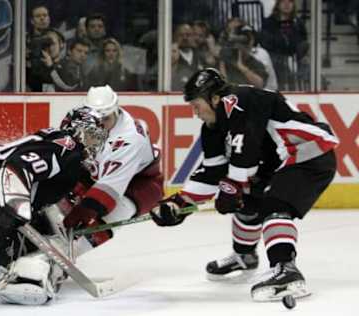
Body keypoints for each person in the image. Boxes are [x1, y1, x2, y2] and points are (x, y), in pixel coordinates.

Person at [151, 68, 338, 302]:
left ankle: (286, 270)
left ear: (215, 98)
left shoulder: (239, 99)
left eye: (196, 104)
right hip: (276, 163)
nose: (195, 112)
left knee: (273, 206)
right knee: (247, 201)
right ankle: (244, 257)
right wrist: (179, 203)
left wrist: (233, 186)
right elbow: (212, 171)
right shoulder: (213, 128)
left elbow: (246, 149)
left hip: (307, 152)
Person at [0, 108, 108, 304]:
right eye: (91, 136)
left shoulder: (61, 145)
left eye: (97, 138)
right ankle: (20, 281)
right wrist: (15, 203)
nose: (94, 143)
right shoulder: (68, 145)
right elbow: (19, 164)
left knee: (38, 238)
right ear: (76, 130)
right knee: (31, 254)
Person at [62, 85, 164, 252]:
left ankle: (67, 256)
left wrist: (85, 210)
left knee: (98, 224)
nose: (101, 125)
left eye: (106, 119)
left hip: (137, 185)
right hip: (98, 175)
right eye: (97, 120)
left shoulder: (130, 139)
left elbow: (110, 188)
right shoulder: (79, 118)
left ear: (116, 111)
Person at [260, 0, 309, 91]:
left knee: (306, 64)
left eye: (290, 1)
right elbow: (266, 42)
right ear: (278, 5)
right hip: (276, 57)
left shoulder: (298, 23)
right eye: (283, 1)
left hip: (295, 57)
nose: (287, 4)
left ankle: (303, 89)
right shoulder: (269, 22)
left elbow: (303, 40)